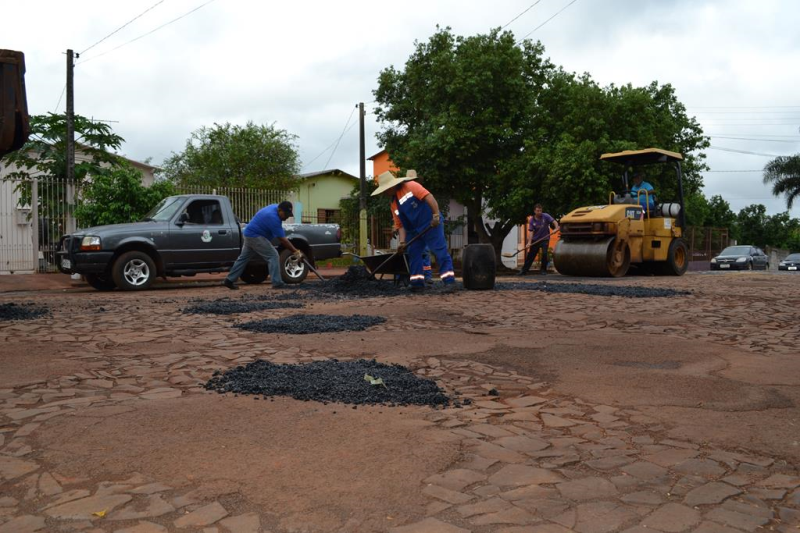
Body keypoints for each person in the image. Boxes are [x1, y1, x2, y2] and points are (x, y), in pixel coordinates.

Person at [371, 169, 456, 292]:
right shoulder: (393, 204)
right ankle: (417, 282)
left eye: (385, 190)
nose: (384, 193)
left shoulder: (411, 186)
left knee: (439, 250)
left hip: (430, 223)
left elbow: (429, 197)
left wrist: (436, 215)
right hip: (413, 230)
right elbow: (400, 225)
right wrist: (402, 242)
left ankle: (449, 282)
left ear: (391, 186)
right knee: (413, 253)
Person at [223, 200, 303, 290]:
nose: (286, 218)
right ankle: (277, 283)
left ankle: (229, 280)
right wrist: (296, 252)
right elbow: (283, 240)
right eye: (285, 215)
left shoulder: (275, 208)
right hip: (255, 236)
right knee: (273, 255)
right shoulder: (273, 218)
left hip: (248, 234)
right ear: (280, 210)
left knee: (243, 258)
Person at [518, 204, 559, 276]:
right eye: (538, 211)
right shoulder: (531, 220)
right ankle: (524, 271)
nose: (539, 212)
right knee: (531, 255)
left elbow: (554, 222)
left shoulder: (545, 216)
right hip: (535, 240)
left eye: (540, 210)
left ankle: (543, 270)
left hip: (545, 239)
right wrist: (529, 242)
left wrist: (556, 228)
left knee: (544, 254)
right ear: (534, 211)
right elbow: (531, 232)